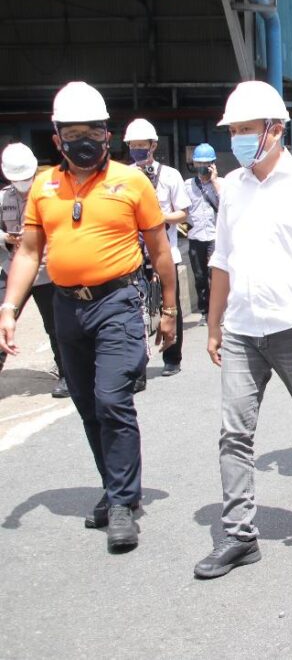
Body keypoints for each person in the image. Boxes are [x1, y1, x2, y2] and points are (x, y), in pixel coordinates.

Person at [0, 81, 177, 553]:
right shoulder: (44, 185)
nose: (84, 140)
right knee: (85, 402)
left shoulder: (131, 182)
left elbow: (160, 250)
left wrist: (170, 310)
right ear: (56, 138)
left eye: (93, 132)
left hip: (117, 302)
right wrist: (9, 308)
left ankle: (121, 503)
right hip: (66, 307)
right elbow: (29, 252)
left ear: (107, 135)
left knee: (112, 399)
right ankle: (116, 486)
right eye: (72, 132)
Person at [194, 81, 292, 580]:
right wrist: (215, 323)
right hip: (243, 330)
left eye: (248, 129)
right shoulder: (234, 189)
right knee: (234, 433)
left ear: (277, 128)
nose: (240, 138)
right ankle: (241, 535)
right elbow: (221, 261)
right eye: (235, 130)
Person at [124, 118, 190, 378]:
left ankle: (172, 357)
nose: (138, 149)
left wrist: (158, 219)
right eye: (133, 145)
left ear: (153, 145)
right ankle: (136, 363)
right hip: (133, 256)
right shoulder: (124, 176)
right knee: (135, 310)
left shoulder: (170, 175)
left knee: (169, 305)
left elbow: (183, 213)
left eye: (142, 144)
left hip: (164, 253)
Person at [0, 144, 67, 397]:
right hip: (12, 270)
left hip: (47, 272)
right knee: (2, 322)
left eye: (26, 178)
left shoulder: (51, 192)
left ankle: (67, 376)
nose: (22, 184)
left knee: (56, 326)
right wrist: (6, 237)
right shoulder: (3, 197)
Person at [184, 143, 221, 326]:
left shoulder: (220, 184)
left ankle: (218, 312)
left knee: (215, 275)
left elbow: (226, 206)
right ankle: (205, 311)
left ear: (213, 164)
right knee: (199, 276)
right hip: (196, 236)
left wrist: (214, 182)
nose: (202, 168)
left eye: (206, 164)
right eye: (199, 163)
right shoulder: (188, 185)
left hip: (214, 236)